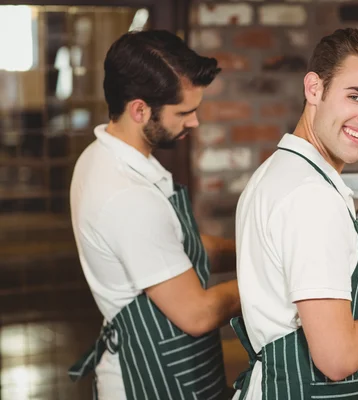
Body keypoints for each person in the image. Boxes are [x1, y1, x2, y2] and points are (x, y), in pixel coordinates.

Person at [231, 28, 358, 400]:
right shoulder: (312, 196)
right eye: (356, 97)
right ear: (314, 89)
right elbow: (337, 359)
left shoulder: (280, 171)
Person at [67, 29, 240, 400]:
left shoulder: (103, 156)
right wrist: (284, 273)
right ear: (140, 109)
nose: (194, 122)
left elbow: (176, 245)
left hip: (178, 369)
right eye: (185, 112)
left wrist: (252, 250)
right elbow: (197, 314)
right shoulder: (125, 196)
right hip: (151, 380)